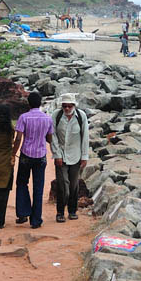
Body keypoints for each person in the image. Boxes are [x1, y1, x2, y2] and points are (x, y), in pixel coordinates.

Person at [12, 92, 53, 228]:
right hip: (40, 156)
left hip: (26, 155)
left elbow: (18, 138)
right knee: (38, 187)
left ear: (28, 103)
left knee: (22, 183)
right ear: (40, 103)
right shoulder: (48, 119)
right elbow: (49, 138)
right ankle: (36, 220)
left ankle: (23, 213)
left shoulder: (24, 117)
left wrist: (13, 154)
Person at [52, 93, 89, 222]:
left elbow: (85, 137)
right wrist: (57, 154)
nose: (67, 109)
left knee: (74, 185)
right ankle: (60, 212)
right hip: (60, 156)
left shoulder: (81, 116)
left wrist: (85, 156)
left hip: (76, 156)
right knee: (63, 185)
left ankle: (72, 210)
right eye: (65, 106)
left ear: (73, 106)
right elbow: (53, 136)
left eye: (69, 106)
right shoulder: (56, 116)